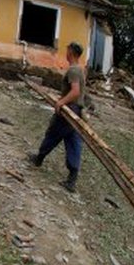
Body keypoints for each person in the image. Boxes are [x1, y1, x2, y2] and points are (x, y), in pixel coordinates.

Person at [29, 42, 87, 192]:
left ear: (72, 53)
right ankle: (72, 179)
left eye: (67, 50)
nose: (66, 53)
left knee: (53, 133)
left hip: (69, 110)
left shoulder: (74, 70)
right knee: (73, 141)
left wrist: (61, 102)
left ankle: (39, 158)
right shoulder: (80, 70)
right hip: (77, 111)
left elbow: (74, 92)